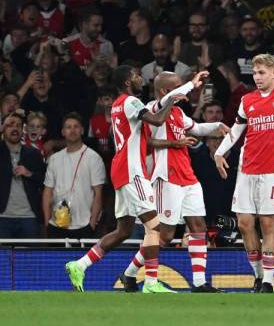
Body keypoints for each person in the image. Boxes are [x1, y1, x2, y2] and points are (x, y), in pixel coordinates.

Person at [64, 65, 200, 293]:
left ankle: (79, 265)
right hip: (132, 171)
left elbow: (146, 139)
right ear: (128, 81)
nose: (140, 79)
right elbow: (157, 120)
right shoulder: (130, 101)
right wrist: (173, 99)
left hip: (122, 170)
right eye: (136, 75)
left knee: (124, 231)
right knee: (154, 226)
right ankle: (151, 282)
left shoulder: (118, 106)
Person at [120, 71, 228, 293]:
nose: (184, 91)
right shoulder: (152, 108)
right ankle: (130, 272)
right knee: (165, 235)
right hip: (166, 177)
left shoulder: (178, 112)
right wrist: (174, 143)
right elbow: (146, 141)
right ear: (164, 91)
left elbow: (196, 129)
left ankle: (199, 283)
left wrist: (218, 126)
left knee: (198, 226)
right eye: (177, 86)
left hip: (187, 176)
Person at [214, 54, 274, 293]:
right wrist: (219, 152)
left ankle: (268, 281)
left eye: (262, 72)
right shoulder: (247, 100)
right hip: (246, 169)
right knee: (244, 224)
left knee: (267, 224)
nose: (257, 77)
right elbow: (237, 128)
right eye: (255, 73)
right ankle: (258, 276)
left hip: (273, 170)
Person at [42, 113, 105, 238]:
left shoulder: (94, 158)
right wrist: (47, 222)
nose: (72, 130)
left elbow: (98, 194)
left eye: (76, 127)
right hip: (56, 224)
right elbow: (48, 191)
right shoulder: (54, 159)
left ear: (82, 130)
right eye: (68, 127)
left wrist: (92, 224)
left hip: (84, 225)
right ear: (63, 132)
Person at [0, 111, 46, 238]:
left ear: (23, 130)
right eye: (10, 125)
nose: (14, 128)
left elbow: (44, 181)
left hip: (29, 217)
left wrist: (28, 173)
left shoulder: (33, 153)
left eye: (18, 125)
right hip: (2, 217)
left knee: (30, 257)